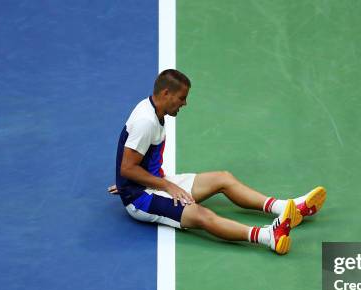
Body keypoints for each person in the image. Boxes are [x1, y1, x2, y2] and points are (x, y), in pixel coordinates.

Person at [110, 69, 326, 254]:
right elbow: (128, 168)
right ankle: (268, 236)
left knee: (223, 178)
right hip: (140, 200)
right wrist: (140, 185)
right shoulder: (145, 122)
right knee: (200, 215)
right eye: (181, 97)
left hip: (151, 182)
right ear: (166, 93)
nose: (185, 103)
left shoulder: (153, 110)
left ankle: (285, 208)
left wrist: (129, 181)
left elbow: (130, 164)